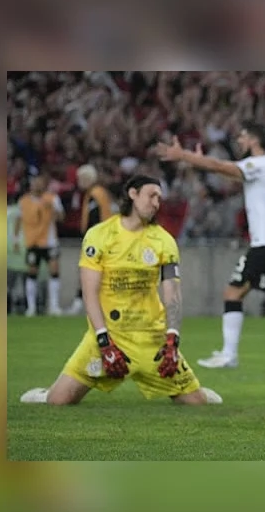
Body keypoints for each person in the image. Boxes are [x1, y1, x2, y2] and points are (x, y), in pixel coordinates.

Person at [19, 175, 222, 406]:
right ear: (132, 194)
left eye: (159, 198)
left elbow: (172, 293)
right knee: (58, 401)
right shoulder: (99, 235)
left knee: (197, 404)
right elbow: (90, 292)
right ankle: (47, 393)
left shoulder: (164, 241)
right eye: (151, 195)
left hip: (151, 338)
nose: (156, 203)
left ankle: (199, 391)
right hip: (109, 335)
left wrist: (172, 338)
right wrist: (103, 340)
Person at [155, 122, 265, 370]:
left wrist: (185, 156)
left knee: (233, 293)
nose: (240, 141)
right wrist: (200, 162)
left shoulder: (262, 163)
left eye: (244, 136)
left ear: (255, 140)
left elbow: (223, 167)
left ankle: (228, 354)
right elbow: (229, 171)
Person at [13, 172, 65, 316]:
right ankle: (31, 308)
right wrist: (16, 239)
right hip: (32, 242)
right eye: (35, 183)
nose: (37, 185)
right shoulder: (23, 201)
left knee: (54, 271)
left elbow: (61, 218)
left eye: (40, 183)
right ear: (31, 185)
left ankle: (54, 306)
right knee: (32, 272)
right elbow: (18, 219)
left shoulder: (52, 198)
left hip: (50, 241)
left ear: (44, 184)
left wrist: (52, 209)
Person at [66, 163, 114, 315]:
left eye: (81, 178)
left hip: (98, 240)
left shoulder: (94, 194)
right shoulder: (98, 192)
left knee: (88, 272)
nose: (79, 181)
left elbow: (95, 218)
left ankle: (80, 304)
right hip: (105, 238)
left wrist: (90, 238)